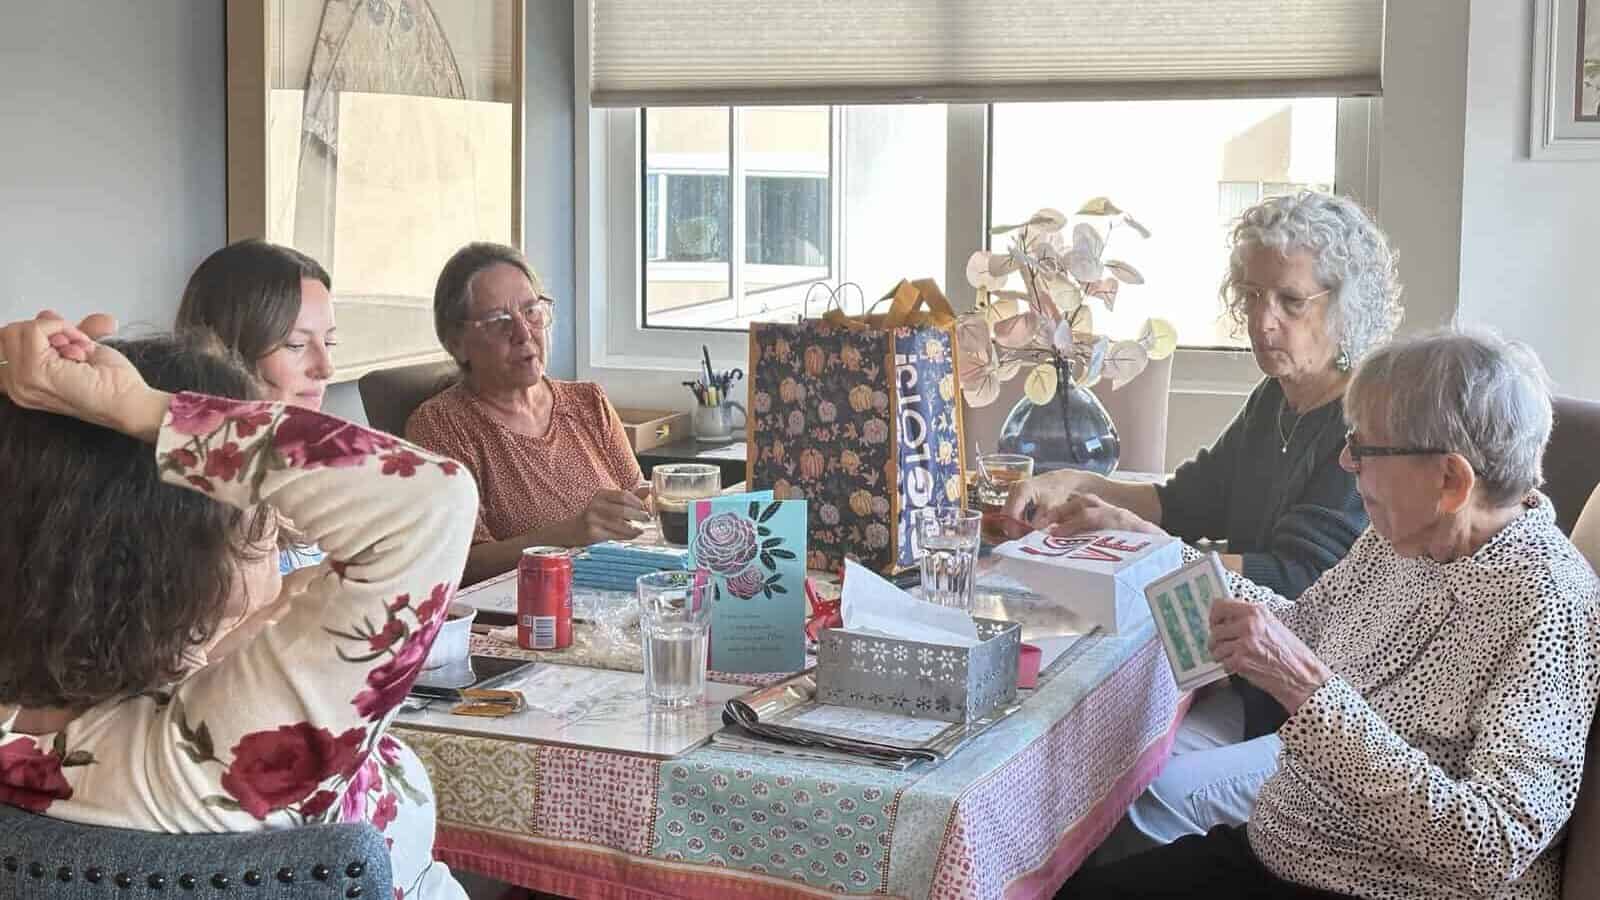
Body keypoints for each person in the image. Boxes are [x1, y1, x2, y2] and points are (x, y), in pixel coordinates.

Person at [1061, 330, 1600, 899]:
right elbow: (1300, 630)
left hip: (1381, 888)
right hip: (1292, 851)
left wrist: (1309, 690)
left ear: (1450, 480)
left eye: (1366, 449)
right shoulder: (1404, 540)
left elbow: (1494, 842)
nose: (1346, 462)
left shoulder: (1550, 608)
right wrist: (1162, 553)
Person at [0, 312, 477, 900]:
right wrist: (138, 408)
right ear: (177, 551)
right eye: (253, 511)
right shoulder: (204, 762)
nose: (268, 528)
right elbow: (429, 502)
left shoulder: (64, 736)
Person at [1005, 191, 1404, 852]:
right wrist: (1077, 482)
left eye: (1288, 301)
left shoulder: (1367, 424)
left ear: (1346, 303)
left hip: (1294, 707)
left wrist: (1157, 548)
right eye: (1250, 295)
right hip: (1231, 679)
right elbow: (1187, 500)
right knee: (1071, 762)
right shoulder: (1274, 399)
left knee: (1110, 799)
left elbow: (1298, 580)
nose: (1261, 321)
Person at [406, 242, 648, 585]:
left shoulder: (588, 402)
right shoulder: (442, 427)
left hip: (612, 595)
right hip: (524, 618)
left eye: (531, 311)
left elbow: (639, 498)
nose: (523, 333)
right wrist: (567, 536)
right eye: (498, 321)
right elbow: (460, 565)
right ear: (457, 342)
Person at [175, 239, 338, 574]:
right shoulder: (197, 496)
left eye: (330, 342)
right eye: (297, 344)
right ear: (228, 353)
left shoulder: (315, 460)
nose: (326, 366)